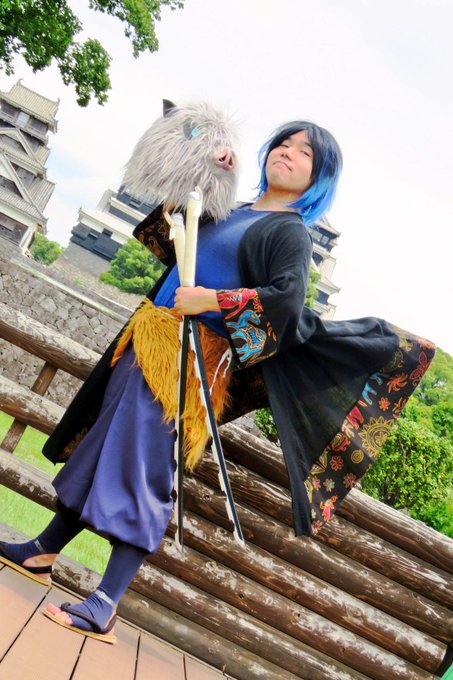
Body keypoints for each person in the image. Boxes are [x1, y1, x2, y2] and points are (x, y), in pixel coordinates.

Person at [0, 121, 435, 644]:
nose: (288, 153)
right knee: (98, 447)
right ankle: (44, 550)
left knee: (145, 471)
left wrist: (211, 301)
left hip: (190, 365)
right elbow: (172, 235)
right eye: (283, 144)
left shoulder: (290, 233)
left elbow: (286, 305)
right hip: (145, 342)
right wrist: (207, 175)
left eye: (304, 153)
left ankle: (106, 602)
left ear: (318, 178)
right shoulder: (234, 208)